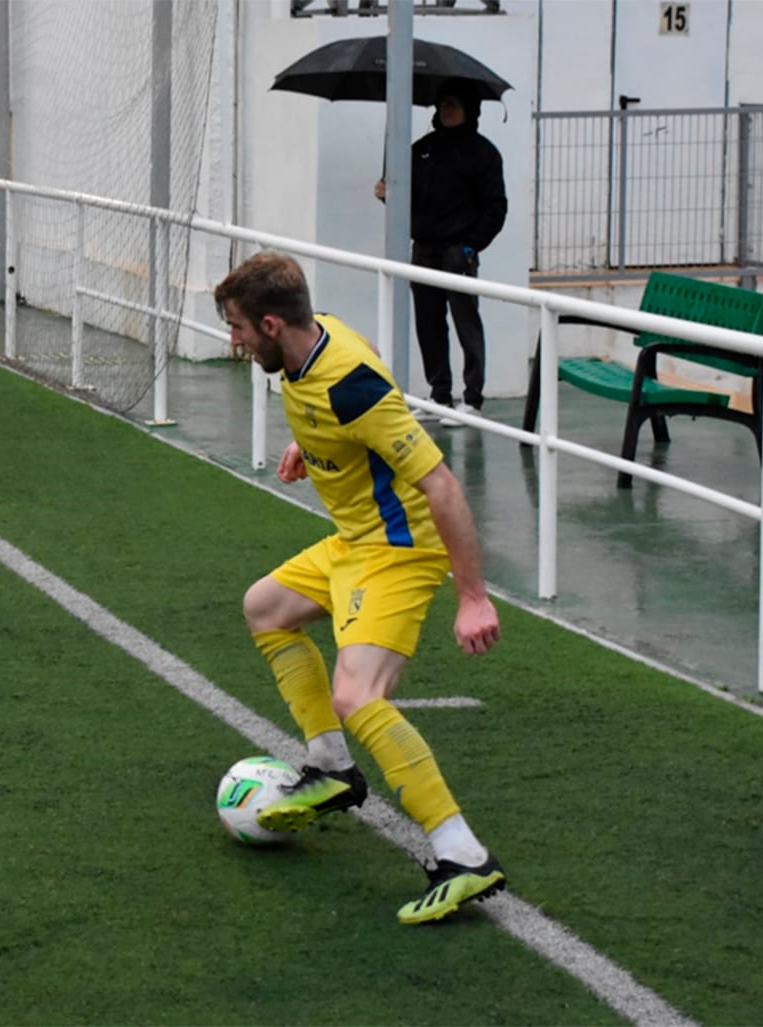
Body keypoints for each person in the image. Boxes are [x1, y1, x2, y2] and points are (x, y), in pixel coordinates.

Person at [212, 251, 506, 925]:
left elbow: (442, 485)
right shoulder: (315, 341)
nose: (233, 341)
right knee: (265, 608)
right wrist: (315, 448)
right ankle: (333, 770)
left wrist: (473, 597)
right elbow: (360, 367)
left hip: (398, 549)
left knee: (356, 693)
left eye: (237, 328)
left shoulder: (351, 385)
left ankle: (462, 854)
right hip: (355, 540)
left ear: (271, 323)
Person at [374, 79, 506, 427]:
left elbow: (495, 207)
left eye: (453, 104)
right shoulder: (422, 150)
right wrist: (388, 193)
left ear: (469, 110)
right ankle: (439, 394)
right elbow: (407, 198)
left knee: (466, 324)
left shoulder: (484, 154)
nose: (445, 110)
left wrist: (471, 245)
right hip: (425, 250)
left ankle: (473, 398)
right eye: (442, 104)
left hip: (457, 253)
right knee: (428, 324)